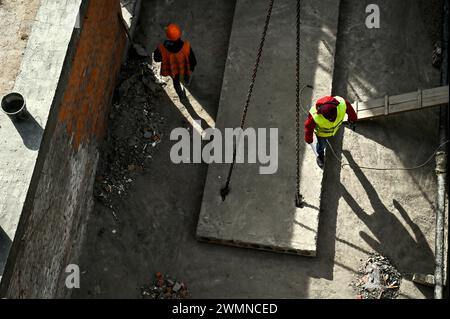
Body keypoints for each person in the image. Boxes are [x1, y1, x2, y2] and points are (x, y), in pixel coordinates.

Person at [304, 95, 358, 169]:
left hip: (334, 130)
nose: (332, 120)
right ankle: (320, 155)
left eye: (333, 117)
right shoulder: (314, 116)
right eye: (329, 119)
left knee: (326, 142)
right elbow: (308, 127)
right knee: (322, 145)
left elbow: (350, 111)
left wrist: (353, 119)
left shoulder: (342, 104)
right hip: (321, 134)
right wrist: (308, 138)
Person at [153, 23, 197, 99]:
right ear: (179, 35)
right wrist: (191, 68)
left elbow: (156, 59)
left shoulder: (161, 48)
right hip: (184, 68)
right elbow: (193, 61)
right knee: (186, 73)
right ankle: (187, 80)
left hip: (172, 70)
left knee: (176, 82)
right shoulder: (186, 46)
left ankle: (181, 96)